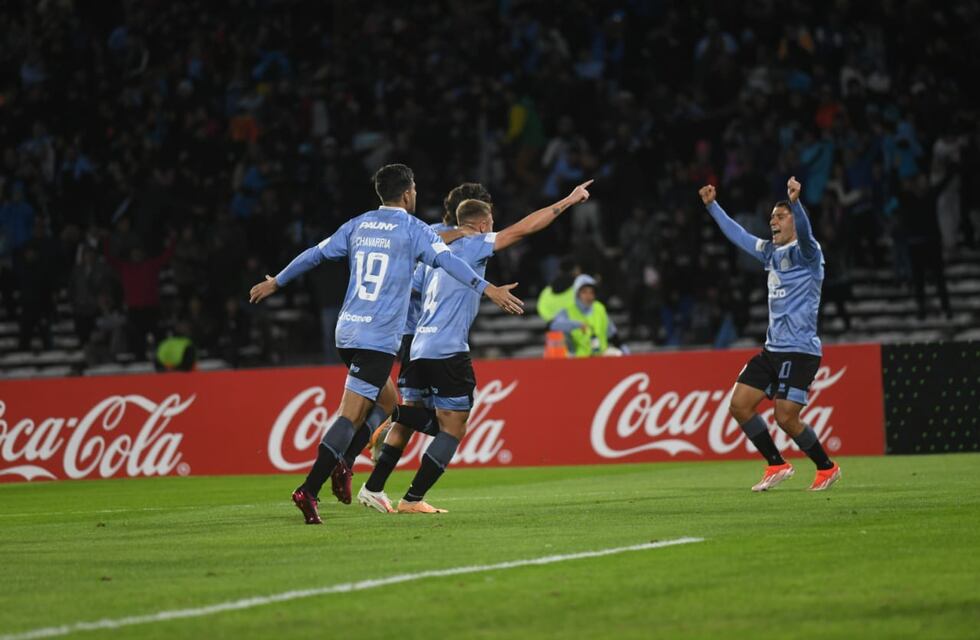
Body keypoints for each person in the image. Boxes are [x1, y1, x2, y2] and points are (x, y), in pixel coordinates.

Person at [248, 164, 524, 524]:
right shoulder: (414, 229)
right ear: (408, 193)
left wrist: (276, 282)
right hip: (376, 337)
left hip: (346, 330)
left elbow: (314, 254)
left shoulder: (358, 223)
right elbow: (451, 264)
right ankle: (309, 488)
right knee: (351, 414)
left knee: (387, 404)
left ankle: (345, 464)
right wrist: (489, 289)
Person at [356, 179, 594, 514]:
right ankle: (411, 497)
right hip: (447, 347)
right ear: (482, 223)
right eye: (490, 223)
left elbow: (413, 284)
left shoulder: (433, 244)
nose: (492, 228)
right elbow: (525, 229)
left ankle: (374, 484)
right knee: (453, 426)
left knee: (416, 422)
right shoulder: (475, 242)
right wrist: (567, 201)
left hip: (418, 343)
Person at [326, 183, 490, 507]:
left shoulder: (427, 233)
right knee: (436, 420)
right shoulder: (435, 236)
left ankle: (368, 478)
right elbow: (412, 279)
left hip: (411, 336)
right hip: (420, 335)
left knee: (409, 417)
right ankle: (381, 433)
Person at [699, 176, 841, 492]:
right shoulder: (769, 253)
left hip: (800, 350)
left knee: (786, 417)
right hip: (773, 350)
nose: (772, 222)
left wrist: (796, 202)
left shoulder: (808, 253)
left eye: (779, 217)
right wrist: (712, 207)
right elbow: (739, 236)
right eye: (772, 218)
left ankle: (826, 467)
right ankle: (776, 464)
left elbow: (805, 231)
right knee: (738, 405)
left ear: (792, 221)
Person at [548, 274, 628, 357]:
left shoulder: (599, 308)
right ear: (577, 294)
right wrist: (577, 325)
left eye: (591, 292)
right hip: (579, 359)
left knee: (618, 354)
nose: (588, 296)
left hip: (601, 356)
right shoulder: (567, 311)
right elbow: (554, 325)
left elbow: (611, 332)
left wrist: (623, 348)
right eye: (584, 292)